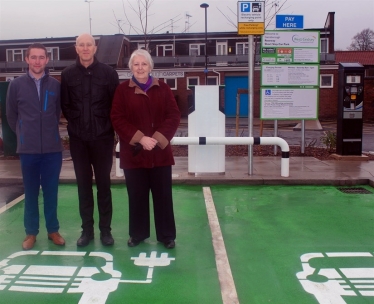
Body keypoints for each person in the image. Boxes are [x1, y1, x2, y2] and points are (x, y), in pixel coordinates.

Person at [111, 49, 180, 249]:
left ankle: (166, 235)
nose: (140, 68)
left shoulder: (164, 89)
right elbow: (117, 118)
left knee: (163, 196)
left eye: (144, 64)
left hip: (160, 154)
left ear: (150, 67)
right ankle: (138, 234)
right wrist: (141, 139)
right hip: (134, 155)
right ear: (130, 67)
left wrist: (156, 139)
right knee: (137, 196)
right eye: (136, 64)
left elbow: (173, 116)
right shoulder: (122, 91)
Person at [61, 33, 119, 247]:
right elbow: (65, 105)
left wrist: (107, 128)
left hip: (103, 139)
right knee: (83, 187)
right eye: (81, 45)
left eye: (89, 45)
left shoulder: (109, 73)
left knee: (104, 186)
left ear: (95, 48)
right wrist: (77, 125)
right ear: (76, 48)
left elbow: (116, 105)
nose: (85, 48)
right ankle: (87, 231)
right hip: (78, 141)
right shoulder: (67, 75)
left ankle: (106, 231)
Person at [6, 43, 65, 250]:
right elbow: (11, 115)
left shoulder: (56, 85)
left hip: (52, 150)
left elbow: (57, 113)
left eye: (41, 57)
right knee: (30, 192)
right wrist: (24, 134)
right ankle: (31, 232)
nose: (37, 61)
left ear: (47, 60)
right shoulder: (16, 85)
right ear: (27, 60)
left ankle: (53, 230)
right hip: (28, 150)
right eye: (34, 57)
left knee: (51, 191)